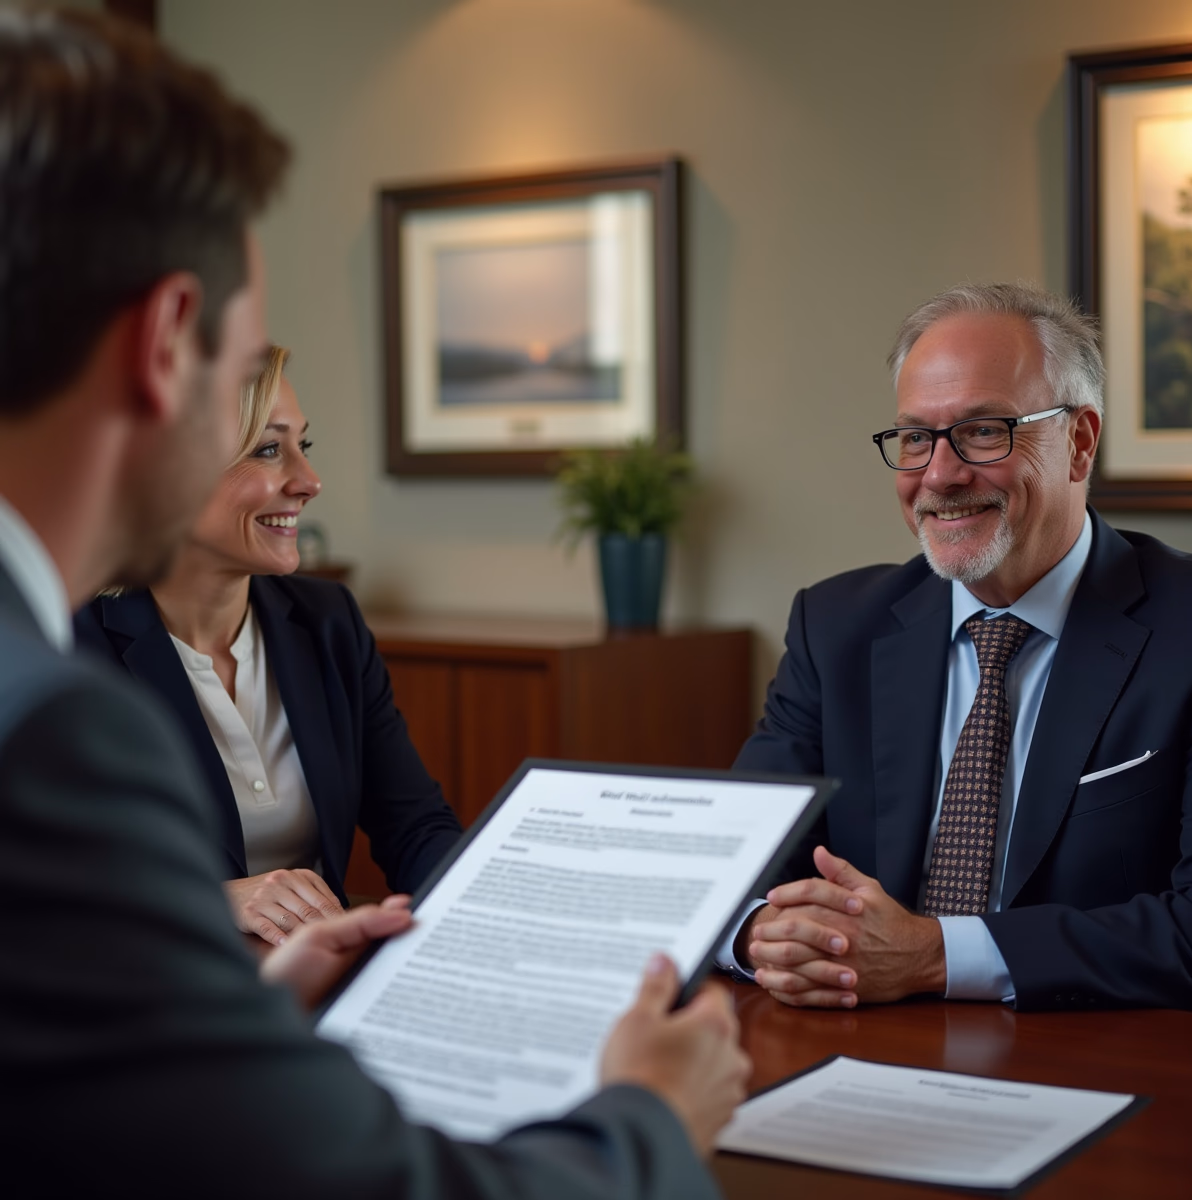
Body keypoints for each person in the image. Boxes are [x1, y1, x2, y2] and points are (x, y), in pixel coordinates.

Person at [0, 10, 749, 1197]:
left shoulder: (309, 630)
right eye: (251, 417)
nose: (303, 480)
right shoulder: (50, 726)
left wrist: (235, 1015)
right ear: (161, 351)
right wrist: (649, 1120)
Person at [728, 281, 1192, 1013]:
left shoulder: (1188, 627)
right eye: (916, 437)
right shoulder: (835, 627)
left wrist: (934, 955)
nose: (940, 476)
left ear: (1079, 443)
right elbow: (734, 866)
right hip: (859, 1044)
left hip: (1100, 1063)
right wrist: (762, 933)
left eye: (984, 430)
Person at [77, 346, 462, 946]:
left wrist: (499, 914)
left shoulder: (329, 623)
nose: (308, 482)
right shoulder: (68, 647)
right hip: (151, 1004)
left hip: (308, 987)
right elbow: (39, 885)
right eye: (266, 449)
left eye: (301, 446)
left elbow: (415, 827)